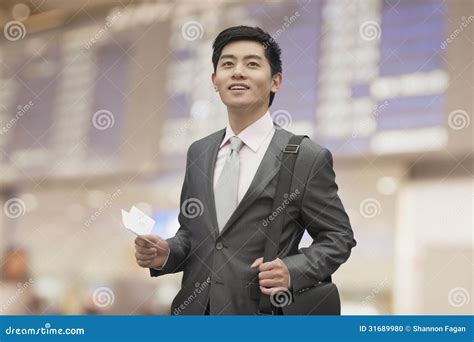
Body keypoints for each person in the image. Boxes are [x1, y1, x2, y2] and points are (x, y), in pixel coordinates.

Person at [134, 25, 356, 315]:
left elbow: (338, 236)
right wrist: (167, 253)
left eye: (252, 63)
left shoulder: (305, 157)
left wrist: (292, 269)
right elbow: (194, 235)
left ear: (275, 81)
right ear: (215, 80)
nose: (238, 72)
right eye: (228, 64)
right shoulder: (199, 152)